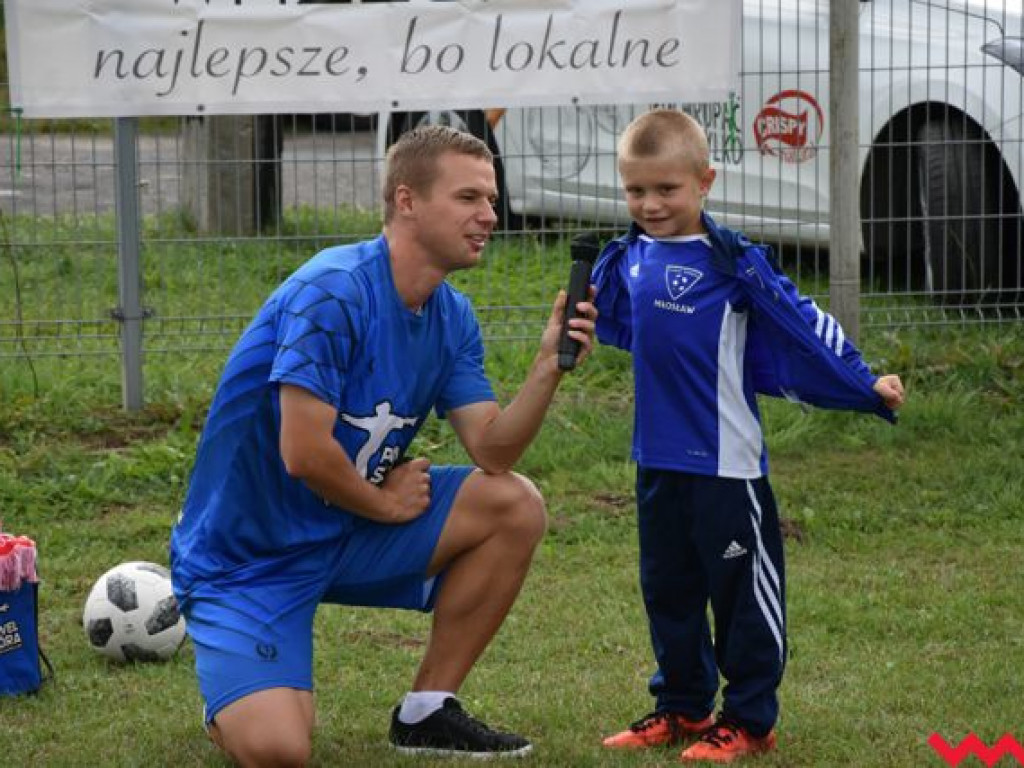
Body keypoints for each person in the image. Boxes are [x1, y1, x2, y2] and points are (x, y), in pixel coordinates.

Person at [169, 124, 597, 766]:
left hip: (344, 530)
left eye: (491, 198)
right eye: (468, 198)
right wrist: (384, 506)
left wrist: (546, 369)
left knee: (513, 503)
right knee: (280, 751)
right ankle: (235, 691)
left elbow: (493, 451)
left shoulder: (451, 315)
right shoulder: (333, 290)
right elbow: (303, 453)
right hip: (247, 556)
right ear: (406, 201)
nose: (489, 215)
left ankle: (427, 709)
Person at [593, 109, 906, 763]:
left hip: (726, 465)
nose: (649, 204)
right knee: (668, 589)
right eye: (635, 190)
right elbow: (610, 316)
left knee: (742, 597)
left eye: (665, 189)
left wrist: (863, 382)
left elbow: (799, 320)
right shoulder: (628, 256)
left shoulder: (734, 261)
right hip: (656, 460)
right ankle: (681, 706)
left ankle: (750, 719)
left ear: (704, 181)